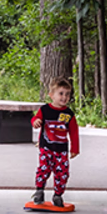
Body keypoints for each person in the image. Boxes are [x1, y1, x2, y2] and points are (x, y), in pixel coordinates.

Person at [30, 76, 81, 205]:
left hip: (61, 150)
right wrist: (35, 122)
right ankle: (39, 191)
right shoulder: (45, 110)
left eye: (67, 94)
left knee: (62, 173)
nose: (64, 97)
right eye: (61, 93)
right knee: (43, 169)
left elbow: (74, 132)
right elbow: (35, 118)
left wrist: (74, 149)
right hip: (46, 148)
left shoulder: (69, 114)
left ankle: (58, 195)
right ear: (52, 95)